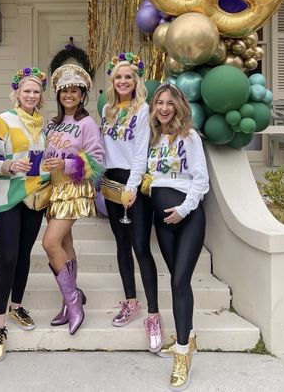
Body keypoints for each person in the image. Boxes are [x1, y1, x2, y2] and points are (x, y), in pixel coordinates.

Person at [147, 83, 209, 391]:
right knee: (176, 279)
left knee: (179, 281)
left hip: (188, 219)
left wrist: (184, 210)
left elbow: (201, 179)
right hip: (163, 222)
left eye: (169, 102)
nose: (164, 107)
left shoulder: (190, 137)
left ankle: (183, 353)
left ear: (178, 106)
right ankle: (190, 336)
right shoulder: (154, 139)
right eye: (159, 102)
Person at [100, 53, 163, 353]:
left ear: (136, 81)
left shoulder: (144, 110)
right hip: (111, 182)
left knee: (140, 246)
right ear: (112, 82)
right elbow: (104, 149)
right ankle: (131, 302)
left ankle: (153, 314)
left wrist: (133, 186)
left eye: (128, 77)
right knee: (121, 246)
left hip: (133, 183)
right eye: (118, 77)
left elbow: (140, 151)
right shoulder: (108, 111)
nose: (123, 81)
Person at [0, 67, 49, 362]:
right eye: (26, 90)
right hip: (7, 197)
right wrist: (8, 166)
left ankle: (16, 306)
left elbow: (43, 161)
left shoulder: (43, 125)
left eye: (36, 91)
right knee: (8, 256)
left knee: (24, 254)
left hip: (35, 196)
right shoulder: (3, 120)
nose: (31, 95)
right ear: (17, 93)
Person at [42, 64, 104, 335]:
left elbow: (98, 160)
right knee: (65, 243)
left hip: (74, 189)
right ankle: (68, 305)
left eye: (74, 91)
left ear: (82, 95)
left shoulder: (86, 123)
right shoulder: (52, 124)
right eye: (64, 91)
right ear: (58, 94)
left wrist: (66, 165)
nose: (69, 95)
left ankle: (74, 301)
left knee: (50, 242)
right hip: (53, 191)